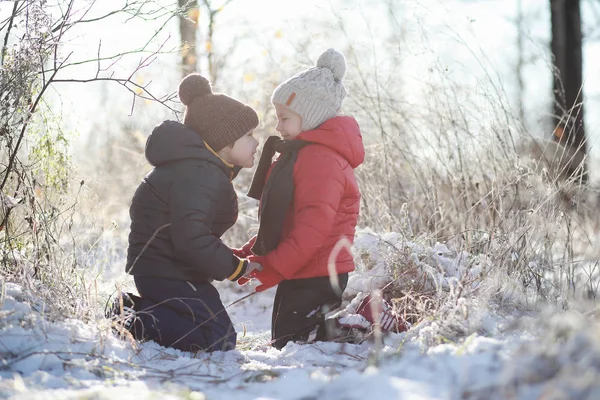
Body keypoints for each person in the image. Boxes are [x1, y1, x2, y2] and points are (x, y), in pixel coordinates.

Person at [106, 73, 262, 352]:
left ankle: (137, 309)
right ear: (225, 142)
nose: (257, 142)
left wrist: (231, 255)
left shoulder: (201, 169)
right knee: (218, 338)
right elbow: (190, 237)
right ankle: (129, 318)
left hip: (172, 268)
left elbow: (191, 229)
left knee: (216, 334)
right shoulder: (199, 173)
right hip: (167, 272)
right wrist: (235, 269)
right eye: (249, 135)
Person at [235, 48, 366, 349]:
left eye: (284, 118)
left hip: (319, 271)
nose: (278, 127)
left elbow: (312, 228)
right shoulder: (304, 156)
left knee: (293, 343)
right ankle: (338, 332)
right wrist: (256, 250)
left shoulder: (320, 161)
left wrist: (274, 267)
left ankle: (357, 330)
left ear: (309, 116)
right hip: (304, 267)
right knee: (285, 339)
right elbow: (289, 216)